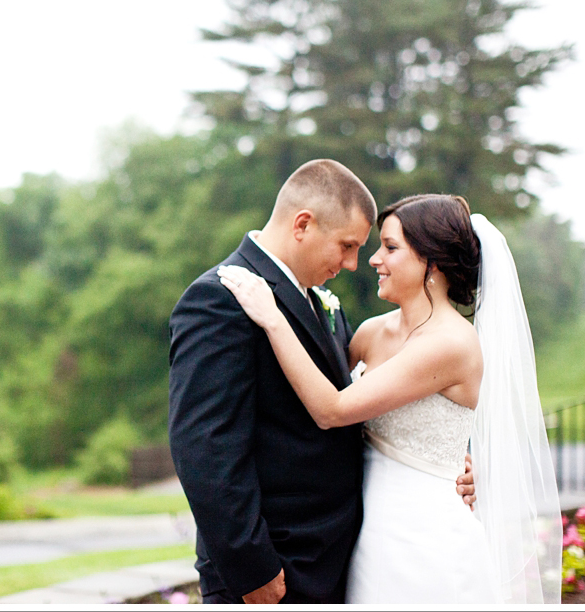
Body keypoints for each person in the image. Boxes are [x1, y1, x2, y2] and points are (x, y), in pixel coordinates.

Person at [217, 193, 562, 603]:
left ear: (431, 264)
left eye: (391, 247)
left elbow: (333, 409)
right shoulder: (370, 332)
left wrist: (273, 318)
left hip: (423, 536)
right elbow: (309, 394)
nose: (374, 259)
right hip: (364, 530)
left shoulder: (451, 343)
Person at [167, 161, 475, 605]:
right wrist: (252, 567)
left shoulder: (323, 303)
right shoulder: (220, 299)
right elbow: (204, 447)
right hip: (273, 569)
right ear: (303, 225)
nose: (353, 264)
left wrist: (446, 456)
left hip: (342, 559)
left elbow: (369, 406)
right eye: (347, 245)